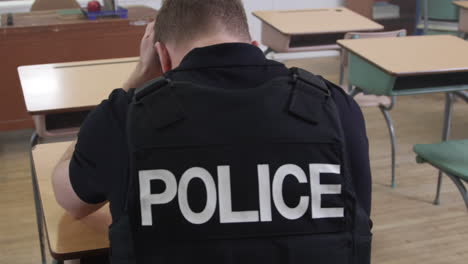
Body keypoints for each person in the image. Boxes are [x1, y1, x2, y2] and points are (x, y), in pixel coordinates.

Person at [52, 0, 372, 263]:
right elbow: (355, 223)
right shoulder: (336, 107)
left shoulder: (125, 116)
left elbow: (71, 199)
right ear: (254, 45)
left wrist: (137, 77)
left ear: (162, 57)